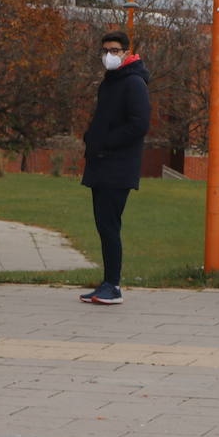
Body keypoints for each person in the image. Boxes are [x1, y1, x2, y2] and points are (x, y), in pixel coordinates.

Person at [79, 31, 151, 306]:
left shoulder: (133, 83)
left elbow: (139, 124)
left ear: (126, 52)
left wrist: (105, 143)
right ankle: (107, 282)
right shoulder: (111, 82)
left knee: (110, 226)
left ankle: (114, 285)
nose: (108, 55)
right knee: (103, 225)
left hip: (117, 167)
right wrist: (91, 138)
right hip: (101, 164)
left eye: (114, 50)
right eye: (105, 49)